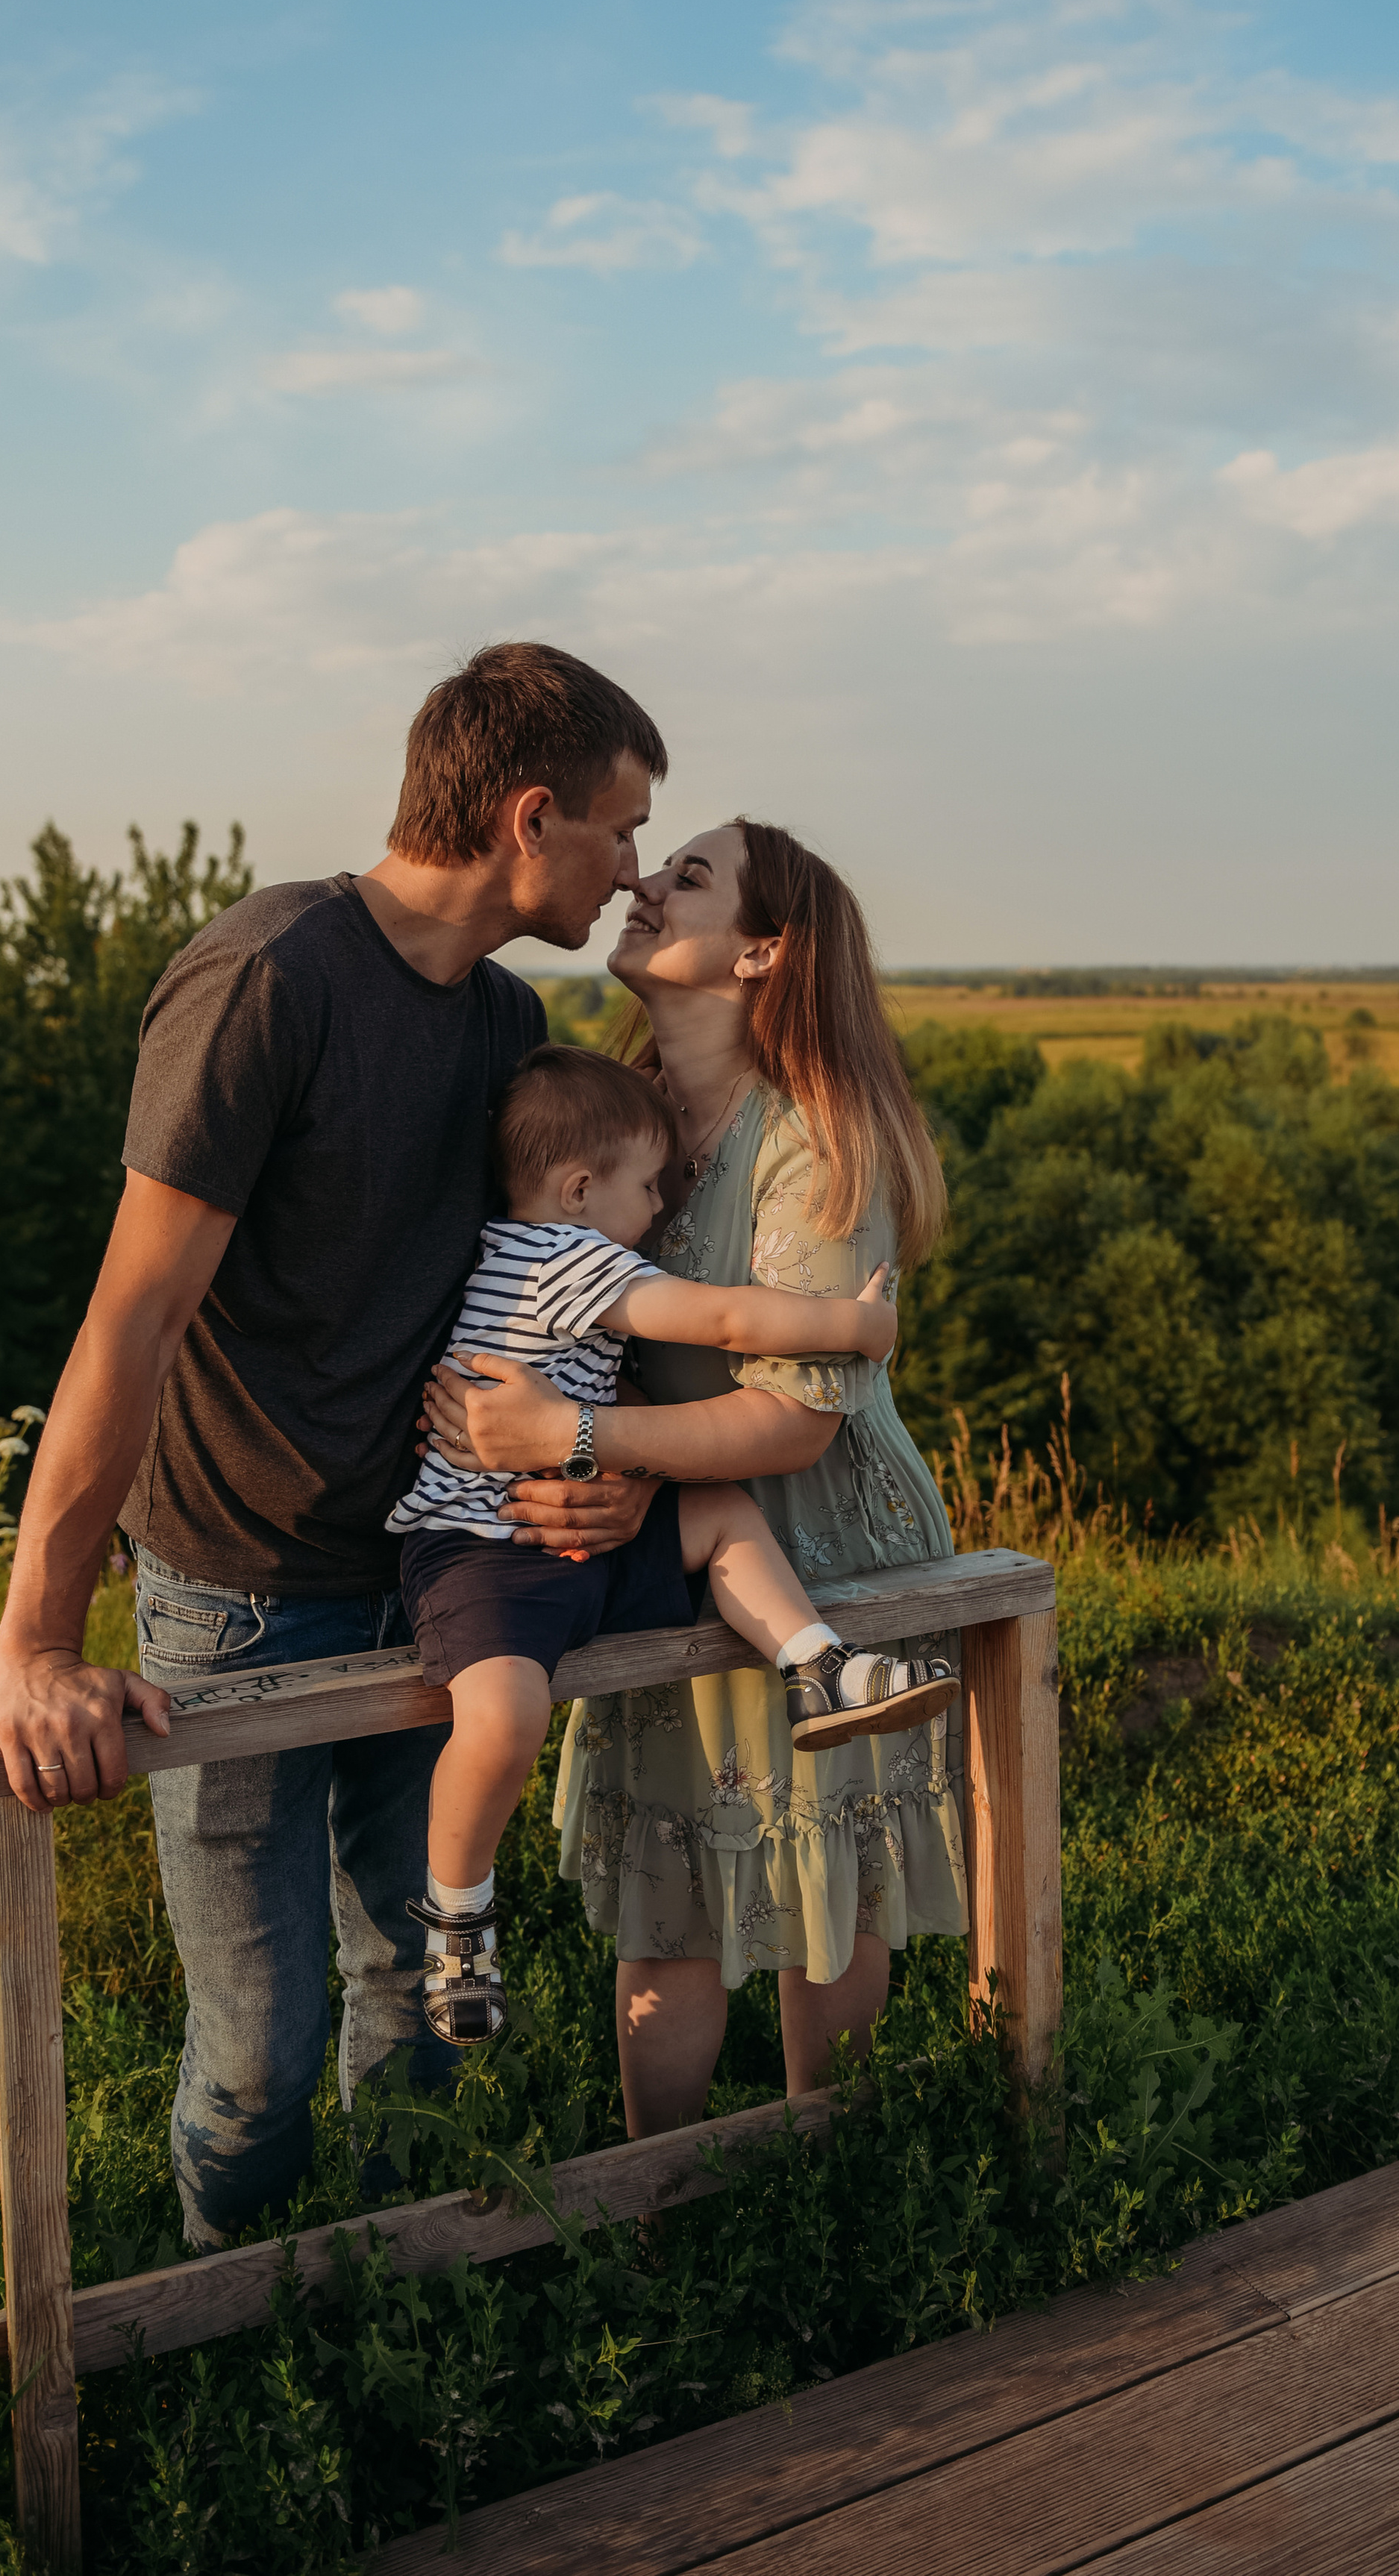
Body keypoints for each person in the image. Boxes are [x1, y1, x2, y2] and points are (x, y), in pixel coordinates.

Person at [0, 642, 677, 2250]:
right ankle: (230, 2349)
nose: (631, 868)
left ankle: (370, 2321)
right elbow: (130, 1322)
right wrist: (35, 1640)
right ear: (528, 816)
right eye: (621, 829)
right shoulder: (270, 979)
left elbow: (536, 1302)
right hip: (236, 1598)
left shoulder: (505, 1024)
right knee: (257, 2059)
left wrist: (601, 1463)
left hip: (434, 1580)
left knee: (413, 2015)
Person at [421, 817, 960, 2138]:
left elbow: (792, 1426)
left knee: (823, 1900)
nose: (644, 883)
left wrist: (583, 1447)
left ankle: (821, 2200)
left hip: (818, 1557)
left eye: (691, 876)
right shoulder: (615, 1120)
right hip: (650, 1548)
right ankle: (665, 2229)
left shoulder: (817, 1145)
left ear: (763, 951)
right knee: (671, 1903)